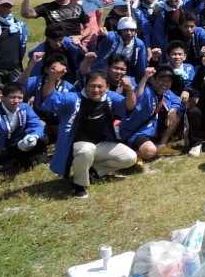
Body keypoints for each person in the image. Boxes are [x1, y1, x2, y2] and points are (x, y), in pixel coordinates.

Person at [42, 70, 138, 199]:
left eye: (100, 86)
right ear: (85, 86)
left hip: (98, 145)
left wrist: (130, 90)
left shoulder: (110, 97)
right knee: (87, 149)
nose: (96, 90)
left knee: (130, 157)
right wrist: (52, 77)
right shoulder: (73, 98)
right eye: (92, 86)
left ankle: (93, 172)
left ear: (107, 87)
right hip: (75, 147)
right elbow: (49, 99)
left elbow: (129, 106)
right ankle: (79, 185)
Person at [0, 84, 47, 175]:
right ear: (3, 97)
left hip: (17, 145)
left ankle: (22, 160)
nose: (16, 101)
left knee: (42, 138)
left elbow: (36, 124)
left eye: (20, 98)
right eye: (12, 97)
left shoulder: (24, 107)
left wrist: (32, 137)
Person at [122, 66, 184, 161]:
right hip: (134, 132)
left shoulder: (166, 92)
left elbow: (177, 102)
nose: (165, 83)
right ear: (153, 79)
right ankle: (132, 154)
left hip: (150, 131)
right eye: (162, 80)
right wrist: (145, 77)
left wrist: (173, 110)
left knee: (176, 117)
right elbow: (138, 93)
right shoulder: (146, 91)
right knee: (150, 151)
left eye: (168, 81)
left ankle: (161, 146)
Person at [21, 0, 86, 37]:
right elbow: (26, 14)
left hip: (72, 45)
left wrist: (80, 37)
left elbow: (88, 27)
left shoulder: (78, 7)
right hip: (53, 46)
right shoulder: (46, 8)